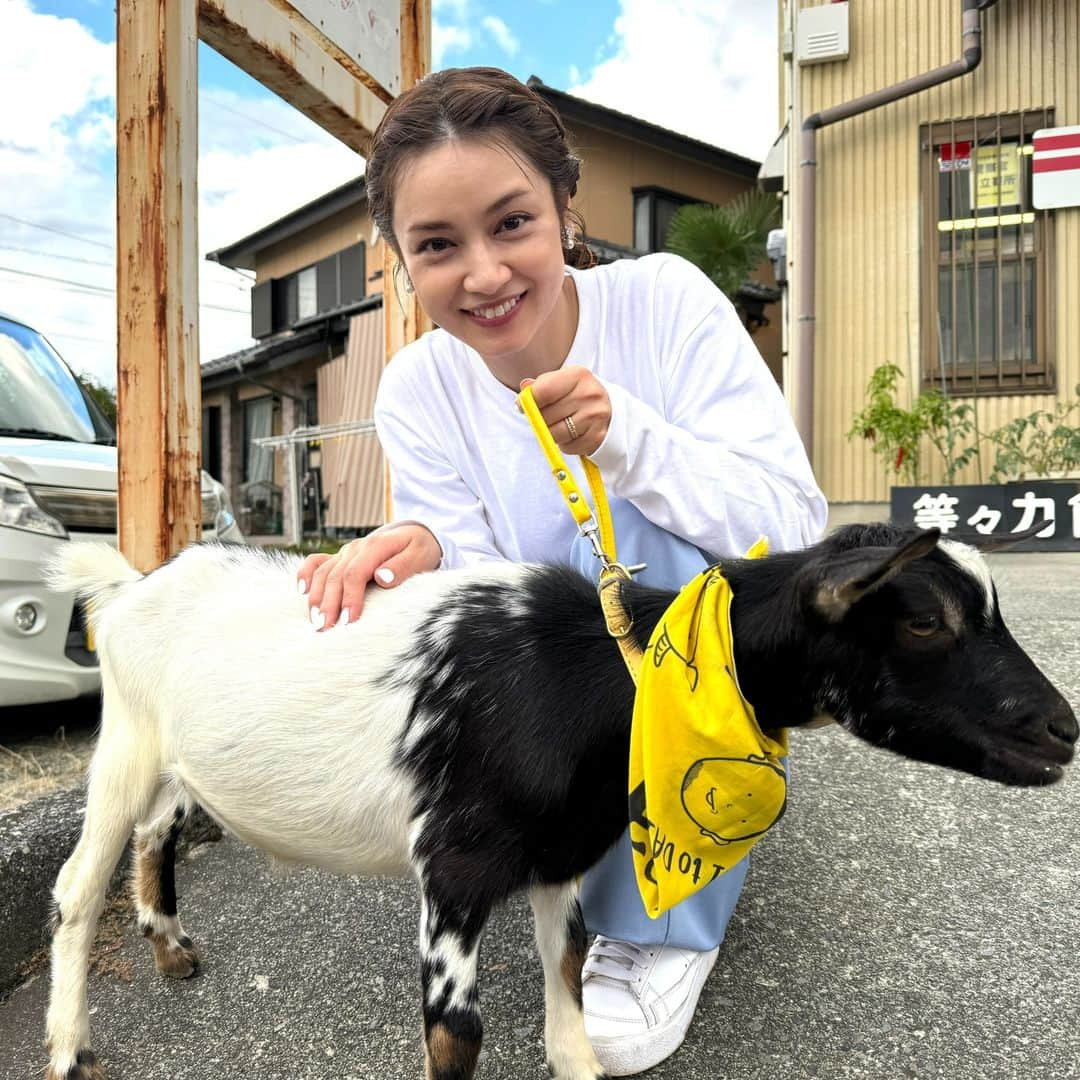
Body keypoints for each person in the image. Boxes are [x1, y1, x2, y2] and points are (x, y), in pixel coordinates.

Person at [296, 66, 827, 1076]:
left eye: (512, 224)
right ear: (402, 260)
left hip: (688, 669)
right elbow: (493, 595)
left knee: (662, 557)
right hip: (579, 688)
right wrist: (427, 554)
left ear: (564, 208)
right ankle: (573, 856)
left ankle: (667, 912)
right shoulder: (417, 387)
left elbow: (788, 532)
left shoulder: (664, 302)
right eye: (438, 246)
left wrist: (632, 441)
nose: (485, 273)